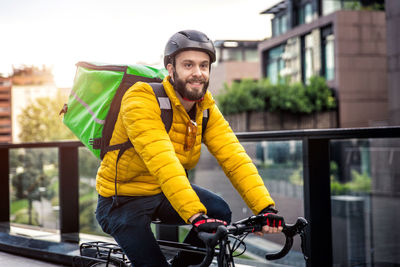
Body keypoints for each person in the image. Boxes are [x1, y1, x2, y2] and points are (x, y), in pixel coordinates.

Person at [95, 29, 283, 267]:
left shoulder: (204, 109)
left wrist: (265, 207)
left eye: (204, 66)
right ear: (171, 69)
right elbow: (164, 162)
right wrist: (196, 216)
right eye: (188, 65)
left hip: (161, 193)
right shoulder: (140, 98)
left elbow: (234, 157)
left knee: (219, 211)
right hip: (121, 201)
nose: (198, 73)